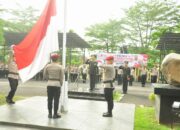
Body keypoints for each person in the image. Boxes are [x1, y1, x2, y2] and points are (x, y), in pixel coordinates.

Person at [43, 53, 64, 119]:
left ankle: (49, 114)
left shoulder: (47, 66)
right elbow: (61, 77)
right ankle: (55, 114)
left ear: (51, 59)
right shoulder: (60, 67)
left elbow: (44, 76)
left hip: (49, 83)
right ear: (57, 59)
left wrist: (49, 79)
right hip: (57, 84)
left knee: (49, 99)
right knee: (56, 100)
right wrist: (61, 83)